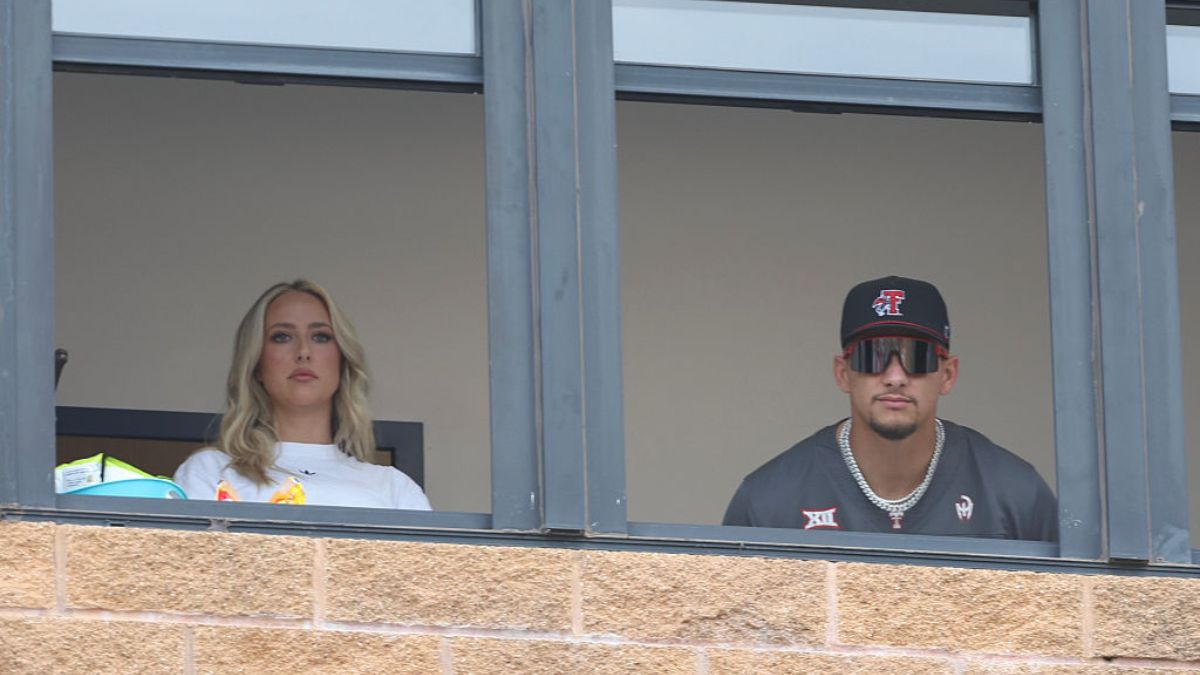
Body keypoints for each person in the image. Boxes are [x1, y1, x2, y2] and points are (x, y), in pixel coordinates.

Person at [723, 275, 1056, 540]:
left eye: (918, 357)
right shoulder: (769, 502)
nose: (895, 377)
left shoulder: (1015, 494)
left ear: (948, 375)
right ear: (843, 374)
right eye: (873, 355)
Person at [174, 279, 431, 510]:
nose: (304, 352)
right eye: (282, 337)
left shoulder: (394, 487)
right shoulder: (211, 472)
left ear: (343, 360)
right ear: (256, 363)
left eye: (321, 337)